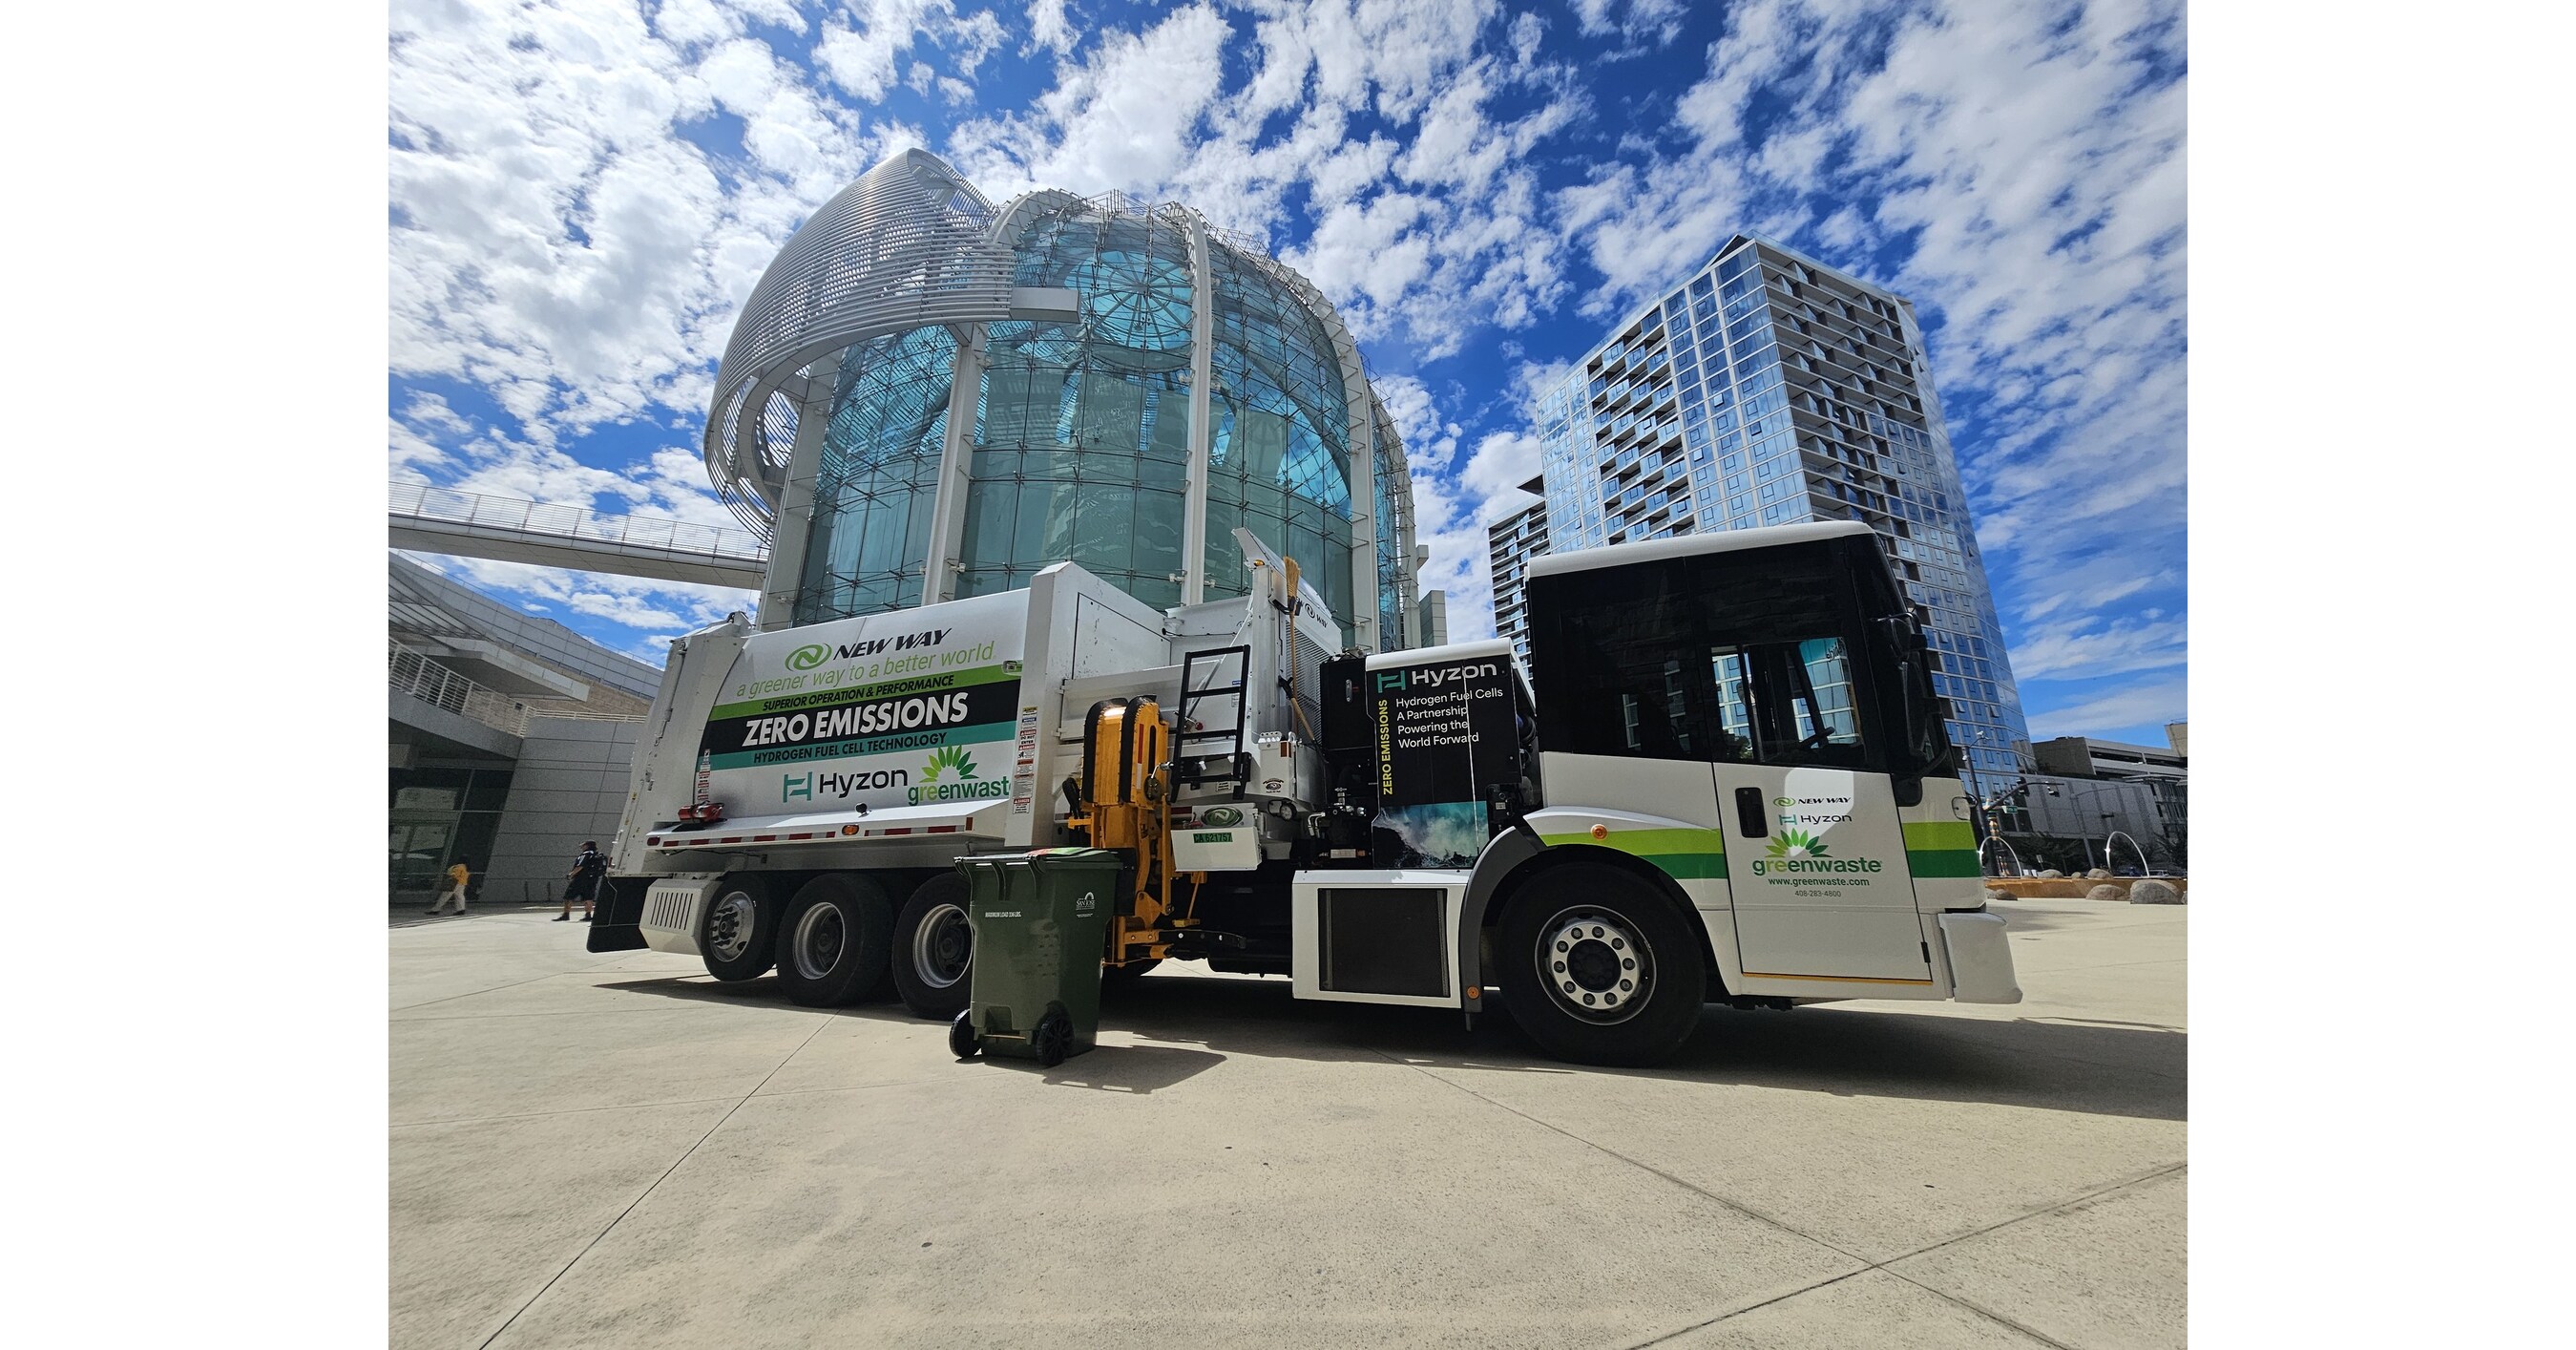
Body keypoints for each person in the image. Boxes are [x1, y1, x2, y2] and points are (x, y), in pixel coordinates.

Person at [558, 841, 607, 922]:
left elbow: (580, 866)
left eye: (583, 845)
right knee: (588, 898)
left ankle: (566, 915)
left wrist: (571, 874)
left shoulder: (586, 854)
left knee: (568, 896)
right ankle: (588, 915)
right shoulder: (597, 855)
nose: (582, 847)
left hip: (580, 879)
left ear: (587, 846)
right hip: (592, 880)